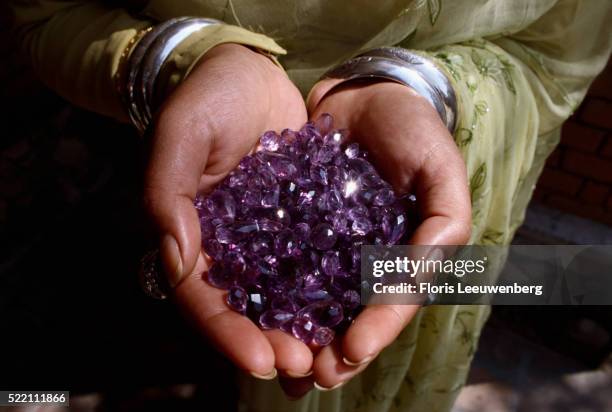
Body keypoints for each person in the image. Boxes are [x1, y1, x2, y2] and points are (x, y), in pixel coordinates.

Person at [10, 1, 611, 411]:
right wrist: (189, 58)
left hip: (448, 180)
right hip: (207, 159)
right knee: (274, 364)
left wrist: (420, 86)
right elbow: (43, 16)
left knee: (417, 328)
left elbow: (558, 59)